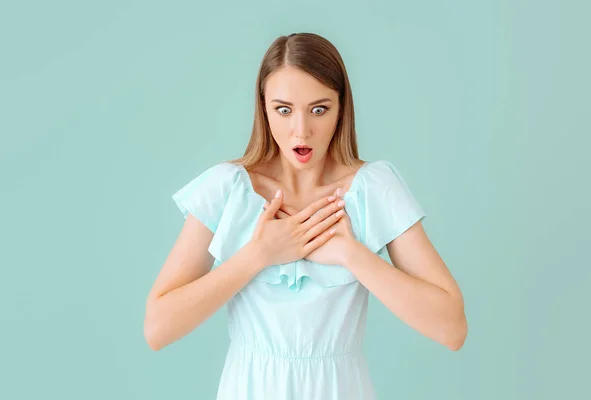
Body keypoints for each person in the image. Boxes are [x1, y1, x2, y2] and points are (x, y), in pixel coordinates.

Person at [144, 32, 467, 400]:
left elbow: (452, 328)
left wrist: (351, 255)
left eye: (319, 109)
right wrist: (258, 255)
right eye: (284, 110)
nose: (301, 130)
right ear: (263, 108)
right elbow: (157, 328)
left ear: (341, 108)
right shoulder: (228, 188)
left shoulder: (373, 189)